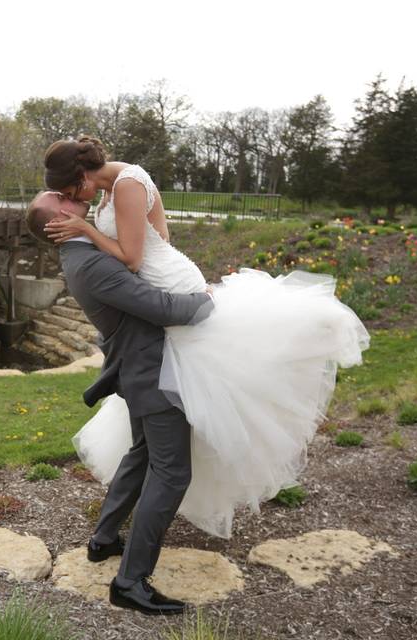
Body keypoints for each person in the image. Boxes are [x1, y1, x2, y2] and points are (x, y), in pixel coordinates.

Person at [40, 136, 370, 541]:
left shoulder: (126, 185)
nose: (77, 199)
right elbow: (159, 231)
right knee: (160, 426)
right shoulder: (114, 185)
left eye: (74, 190)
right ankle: (111, 533)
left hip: (171, 287)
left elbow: (132, 258)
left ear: (84, 174)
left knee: (210, 388)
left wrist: (88, 231)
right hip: (163, 281)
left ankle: (135, 528)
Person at [26, 191, 214, 615]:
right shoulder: (88, 263)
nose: (68, 190)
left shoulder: (85, 249)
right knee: (172, 474)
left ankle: (104, 539)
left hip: (142, 367)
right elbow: (159, 306)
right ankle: (130, 582)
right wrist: (207, 302)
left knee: (144, 453)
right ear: (58, 215)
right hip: (153, 373)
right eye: (58, 194)